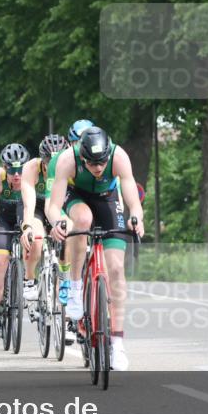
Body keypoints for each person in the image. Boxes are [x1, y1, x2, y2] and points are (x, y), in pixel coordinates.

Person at [47, 126, 144, 370]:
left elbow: (131, 192)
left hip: (108, 200)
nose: (98, 168)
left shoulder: (118, 156)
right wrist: (57, 221)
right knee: (82, 221)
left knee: (116, 268)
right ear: (82, 157)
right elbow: (53, 204)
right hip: (76, 197)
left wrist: (136, 216)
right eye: (92, 164)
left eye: (101, 163)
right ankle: (77, 286)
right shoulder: (68, 160)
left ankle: (118, 344)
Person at [0, 143, 38, 337]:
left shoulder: (30, 179)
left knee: (33, 246)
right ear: (5, 168)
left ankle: (30, 285)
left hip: (23, 216)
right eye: (12, 170)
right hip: (3, 220)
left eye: (20, 170)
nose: (16, 175)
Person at [20, 133, 70, 325]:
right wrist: (27, 227)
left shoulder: (68, 167)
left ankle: (64, 304)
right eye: (50, 161)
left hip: (59, 207)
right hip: (39, 208)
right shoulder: (31, 168)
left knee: (68, 241)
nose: (54, 164)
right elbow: (28, 204)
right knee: (37, 238)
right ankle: (30, 279)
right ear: (43, 159)